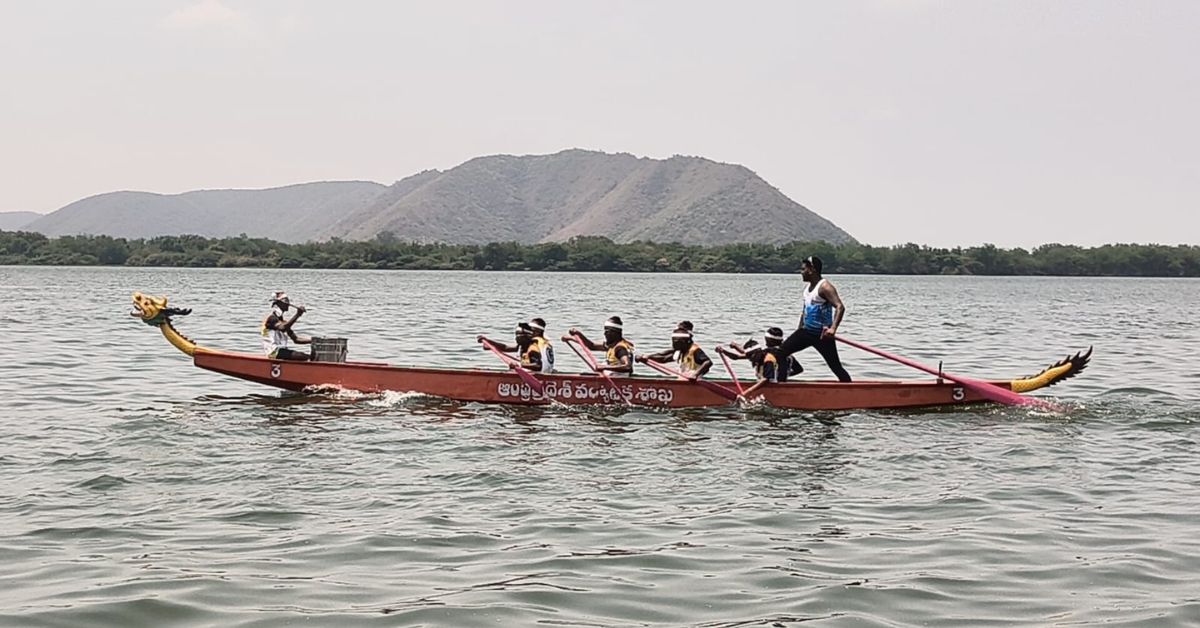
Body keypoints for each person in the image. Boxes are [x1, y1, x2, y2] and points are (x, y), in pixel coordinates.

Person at [775, 256, 852, 382]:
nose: (801, 272)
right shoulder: (807, 289)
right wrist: (799, 330)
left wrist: (833, 329)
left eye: (803, 269)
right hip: (806, 332)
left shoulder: (825, 287)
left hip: (822, 335)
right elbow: (804, 312)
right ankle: (781, 384)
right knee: (780, 353)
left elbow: (840, 307)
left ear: (811, 270)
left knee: (835, 367)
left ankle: (850, 390)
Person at [719, 327, 803, 378]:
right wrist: (784, 375)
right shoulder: (789, 355)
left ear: (769, 340)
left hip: (768, 386)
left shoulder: (767, 353)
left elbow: (737, 357)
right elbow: (799, 370)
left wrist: (723, 351)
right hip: (781, 384)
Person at [565, 316, 634, 375]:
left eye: (607, 331)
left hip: (619, 379)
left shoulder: (620, 348)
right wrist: (576, 336)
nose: (604, 334)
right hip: (612, 376)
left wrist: (603, 367)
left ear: (615, 333)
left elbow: (628, 367)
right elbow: (592, 346)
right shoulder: (612, 345)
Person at [637, 326, 713, 380]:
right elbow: (664, 359)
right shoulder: (681, 351)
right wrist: (646, 357)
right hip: (684, 380)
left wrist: (695, 375)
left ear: (685, 342)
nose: (674, 345)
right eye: (674, 342)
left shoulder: (695, 350)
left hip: (694, 381)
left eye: (677, 342)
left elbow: (708, 362)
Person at [477, 321, 554, 373]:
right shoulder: (528, 343)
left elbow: (538, 366)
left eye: (519, 335)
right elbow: (505, 347)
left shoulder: (534, 346)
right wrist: (489, 343)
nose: (516, 338)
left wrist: (519, 365)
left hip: (538, 374)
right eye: (516, 335)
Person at [262, 291, 311, 360]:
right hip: (274, 352)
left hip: (282, 351)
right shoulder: (272, 318)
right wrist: (297, 315)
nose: (288, 303)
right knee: (304, 356)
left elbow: (296, 339)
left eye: (288, 301)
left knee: (308, 356)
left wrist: (312, 341)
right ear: (279, 303)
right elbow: (283, 328)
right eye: (286, 301)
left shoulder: (283, 322)